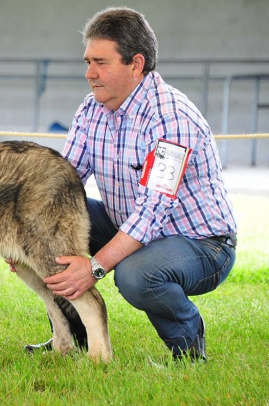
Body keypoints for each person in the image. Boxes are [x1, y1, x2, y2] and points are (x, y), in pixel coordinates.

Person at [24, 7, 237, 362]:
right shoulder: (91, 109)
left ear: (136, 64)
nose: (90, 74)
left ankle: (189, 352)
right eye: (88, 62)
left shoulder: (171, 118)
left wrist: (94, 267)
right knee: (46, 222)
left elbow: (152, 213)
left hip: (203, 244)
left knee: (136, 275)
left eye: (101, 62)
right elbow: (64, 181)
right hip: (130, 224)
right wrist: (23, 233)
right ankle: (73, 337)